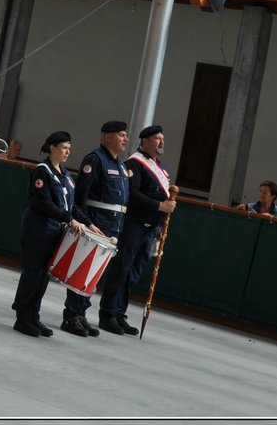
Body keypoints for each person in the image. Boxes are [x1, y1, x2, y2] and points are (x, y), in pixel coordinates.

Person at [97, 124, 176, 335]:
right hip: (134, 224)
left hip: (151, 228)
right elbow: (133, 194)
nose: (162, 142)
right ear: (145, 141)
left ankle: (119, 313)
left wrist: (160, 222)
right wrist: (160, 206)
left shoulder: (161, 167)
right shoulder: (135, 164)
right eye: (158, 138)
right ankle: (108, 313)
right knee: (120, 269)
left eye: (162, 138)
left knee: (133, 272)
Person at [62, 120, 131, 337]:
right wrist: (83, 222)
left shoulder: (120, 164)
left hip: (113, 227)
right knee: (83, 271)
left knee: (96, 275)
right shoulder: (95, 159)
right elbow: (81, 194)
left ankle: (81, 313)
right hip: (96, 223)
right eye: (121, 135)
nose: (125, 139)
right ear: (107, 137)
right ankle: (71, 315)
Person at [12, 131, 81, 337]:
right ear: (52, 147)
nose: (68, 152)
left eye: (69, 149)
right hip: (40, 227)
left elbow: (72, 206)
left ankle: (34, 315)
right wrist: (68, 218)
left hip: (56, 229)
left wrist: (87, 222)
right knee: (33, 272)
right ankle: (22, 316)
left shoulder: (65, 175)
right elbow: (43, 202)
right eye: (64, 148)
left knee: (44, 275)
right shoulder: (43, 171)